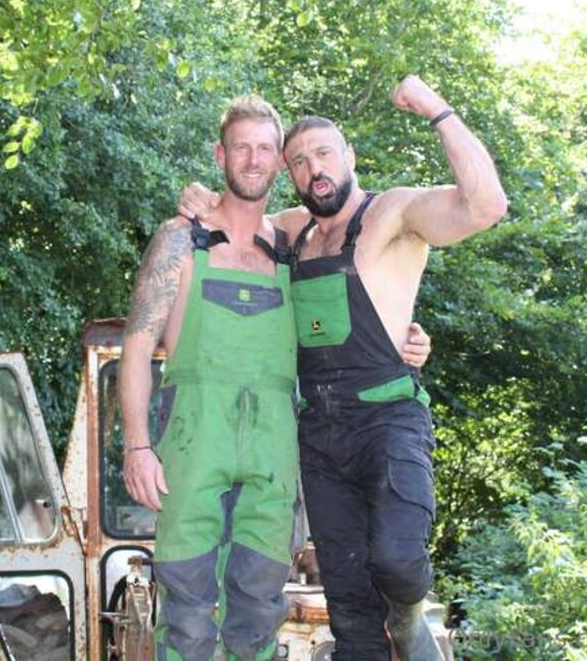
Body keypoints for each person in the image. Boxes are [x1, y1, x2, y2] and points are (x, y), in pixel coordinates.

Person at [179, 75, 507, 660]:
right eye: (299, 162)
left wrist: (436, 109)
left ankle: (408, 618)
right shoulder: (288, 229)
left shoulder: (394, 213)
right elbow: (227, 213)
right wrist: (197, 197)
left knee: (399, 561)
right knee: (351, 609)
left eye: (324, 154)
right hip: (319, 435)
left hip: (388, 418)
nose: (315, 170)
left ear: (350, 156)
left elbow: (485, 206)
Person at [117, 95, 433, 661]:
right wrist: (138, 446)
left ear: (279, 165)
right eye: (242, 147)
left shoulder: (292, 247)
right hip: (193, 445)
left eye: (265, 149)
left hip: (273, 453)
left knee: (259, 611)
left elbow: (349, 310)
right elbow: (137, 347)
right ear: (221, 155)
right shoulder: (181, 239)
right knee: (186, 613)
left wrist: (406, 340)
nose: (254, 159)